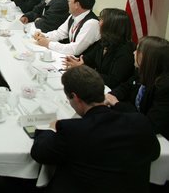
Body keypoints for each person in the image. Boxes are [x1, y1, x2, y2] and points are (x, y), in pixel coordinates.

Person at [31, 65, 160, 193]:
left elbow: (40, 152)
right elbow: (155, 153)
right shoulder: (140, 123)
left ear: (75, 97)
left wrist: (52, 129)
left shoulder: (71, 130)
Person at [106, 36, 169, 139]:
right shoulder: (143, 71)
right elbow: (126, 87)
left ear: (149, 58)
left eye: (138, 51)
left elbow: (150, 124)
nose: (133, 53)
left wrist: (116, 103)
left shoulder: (165, 87)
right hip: (134, 124)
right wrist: (109, 96)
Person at [65, 8, 135, 88]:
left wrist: (83, 69)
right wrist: (78, 61)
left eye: (101, 20)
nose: (99, 23)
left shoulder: (125, 51)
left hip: (111, 93)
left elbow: (113, 81)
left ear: (110, 26)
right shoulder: (104, 42)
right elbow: (89, 58)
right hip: (98, 85)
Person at [34, 0, 100, 56]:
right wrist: (44, 36)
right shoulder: (73, 16)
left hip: (84, 64)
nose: (67, 3)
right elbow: (59, 33)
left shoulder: (91, 23)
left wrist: (48, 43)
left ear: (77, 5)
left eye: (69, 0)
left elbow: (75, 49)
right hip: (73, 59)